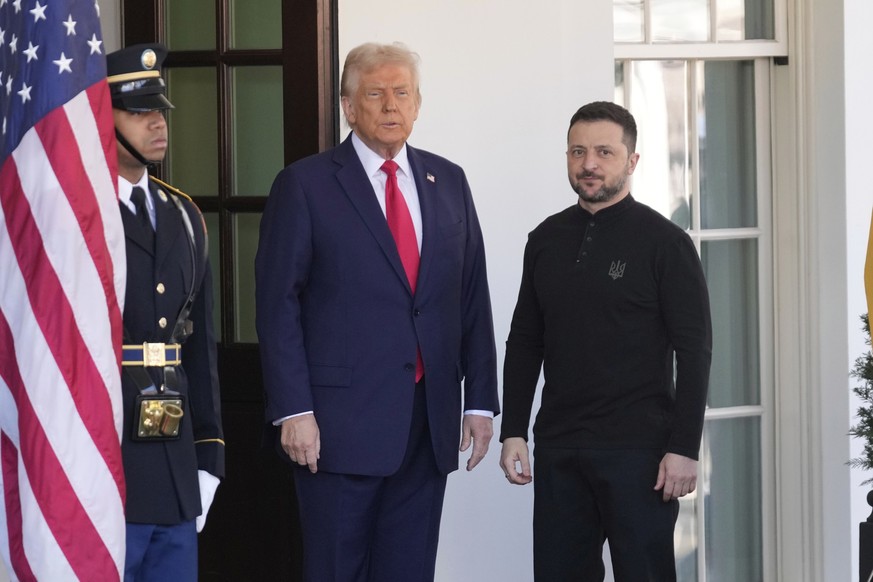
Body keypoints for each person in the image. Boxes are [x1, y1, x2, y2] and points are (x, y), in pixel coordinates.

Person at [255, 42, 499, 582]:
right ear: (348, 106)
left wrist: (480, 401)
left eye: (402, 93)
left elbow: (471, 296)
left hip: (427, 424)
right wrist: (293, 409)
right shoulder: (305, 185)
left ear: (417, 105)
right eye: (375, 93)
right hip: (336, 428)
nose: (391, 105)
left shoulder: (448, 180)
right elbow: (278, 307)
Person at [499, 101, 712, 581]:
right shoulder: (545, 239)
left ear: (632, 161)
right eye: (577, 151)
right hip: (559, 447)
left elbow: (695, 353)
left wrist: (684, 447)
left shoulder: (666, 244)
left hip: (640, 454)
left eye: (603, 152)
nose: (588, 164)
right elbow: (525, 340)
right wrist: (514, 427)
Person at [108, 43, 224, 581]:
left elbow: (197, 346)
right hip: (104, 459)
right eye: (138, 112)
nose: (158, 124)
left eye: (160, 110)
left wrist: (209, 453)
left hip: (174, 462)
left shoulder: (184, 216)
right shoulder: (77, 214)